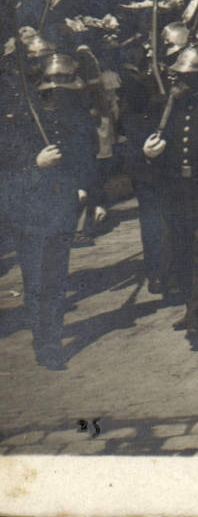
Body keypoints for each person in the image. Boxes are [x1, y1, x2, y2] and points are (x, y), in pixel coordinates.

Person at [3, 54, 103, 370]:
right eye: (51, 86)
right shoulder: (18, 122)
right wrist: (36, 164)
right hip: (30, 211)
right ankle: (44, 343)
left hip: (62, 208)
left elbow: (87, 156)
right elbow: (7, 172)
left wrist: (90, 191)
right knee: (36, 281)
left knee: (56, 279)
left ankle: (53, 338)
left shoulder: (75, 117)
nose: (57, 93)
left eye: (64, 85)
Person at [141, 47, 198, 351]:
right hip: (175, 195)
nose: (177, 82)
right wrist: (149, 155)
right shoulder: (166, 109)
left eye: (184, 77)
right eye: (176, 76)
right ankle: (191, 307)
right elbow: (152, 152)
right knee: (179, 257)